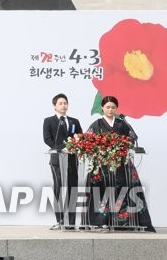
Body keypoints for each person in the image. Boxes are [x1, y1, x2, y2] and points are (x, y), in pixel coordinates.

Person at [84, 95, 155, 232]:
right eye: (108, 107)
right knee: (102, 191)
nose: (110, 110)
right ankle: (101, 221)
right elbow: (88, 141)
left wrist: (122, 145)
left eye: (113, 107)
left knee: (127, 189)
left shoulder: (122, 123)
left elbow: (132, 138)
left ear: (116, 109)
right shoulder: (96, 124)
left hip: (121, 164)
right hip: (103, 164)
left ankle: (125, 222)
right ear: (102, 108)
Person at [42, 93, 81, 228]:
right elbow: (47, 139)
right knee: (59, 189)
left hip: (72, 161)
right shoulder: (49, 121)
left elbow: (80, 137)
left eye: (65, 103)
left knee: (72, 189)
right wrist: (61, 148)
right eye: (60, 103)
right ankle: (60, 221)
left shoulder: (74, 121)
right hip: (57, 160)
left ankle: (70, 222)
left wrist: (75, 146)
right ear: (54, 106)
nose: (64, 105)